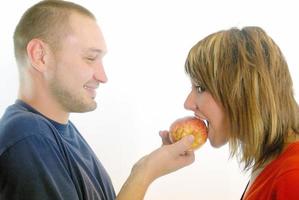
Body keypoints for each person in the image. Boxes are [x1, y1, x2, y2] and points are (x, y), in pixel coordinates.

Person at [0, 1, 196, 200]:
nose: (103, 77)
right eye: (90, 58)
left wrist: (148, 167)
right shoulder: (28, 135)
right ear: (40, 56)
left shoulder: (59, 132)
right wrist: (144, 172)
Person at [183, 26, 299, 199]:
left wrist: (145, 171)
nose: (188, 103)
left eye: (200, 88)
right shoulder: (271, 162)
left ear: (241, 93)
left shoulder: (292, 176)